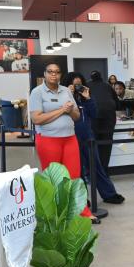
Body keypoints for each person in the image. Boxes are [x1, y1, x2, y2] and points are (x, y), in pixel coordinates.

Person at [30, 63, 98, 223]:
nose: (53, 74)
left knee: (74, 177)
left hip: (69, 139)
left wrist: (71, 110)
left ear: (60, 74)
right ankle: (56, 216)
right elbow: (36, 119)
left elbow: (76, 116)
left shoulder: (66, 91)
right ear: (45, 74)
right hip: (48, 140)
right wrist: (62, 110)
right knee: (54, 179)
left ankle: (82, 212)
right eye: (50, 72)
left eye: (57, 72)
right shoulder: (37, 92)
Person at [65, 73, 125, 204]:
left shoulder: (85, 98)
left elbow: (94, 113)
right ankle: (81, 199)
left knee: (97, 167)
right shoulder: (64, 98)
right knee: (77, 170)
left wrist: (88, 98)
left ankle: (109, 194)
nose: (77, 87)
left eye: (79, 84)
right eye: (74, 85)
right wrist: (68, 94)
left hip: (88, 137)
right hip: (71, 138)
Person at [87, 70, 119, 170]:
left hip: (93, 119)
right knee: (106, 146)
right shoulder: (107, 86)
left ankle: (93, 172)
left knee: (92, 145)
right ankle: (104, 171)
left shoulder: (87, 86)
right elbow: (117, 103)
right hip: (109, 118)